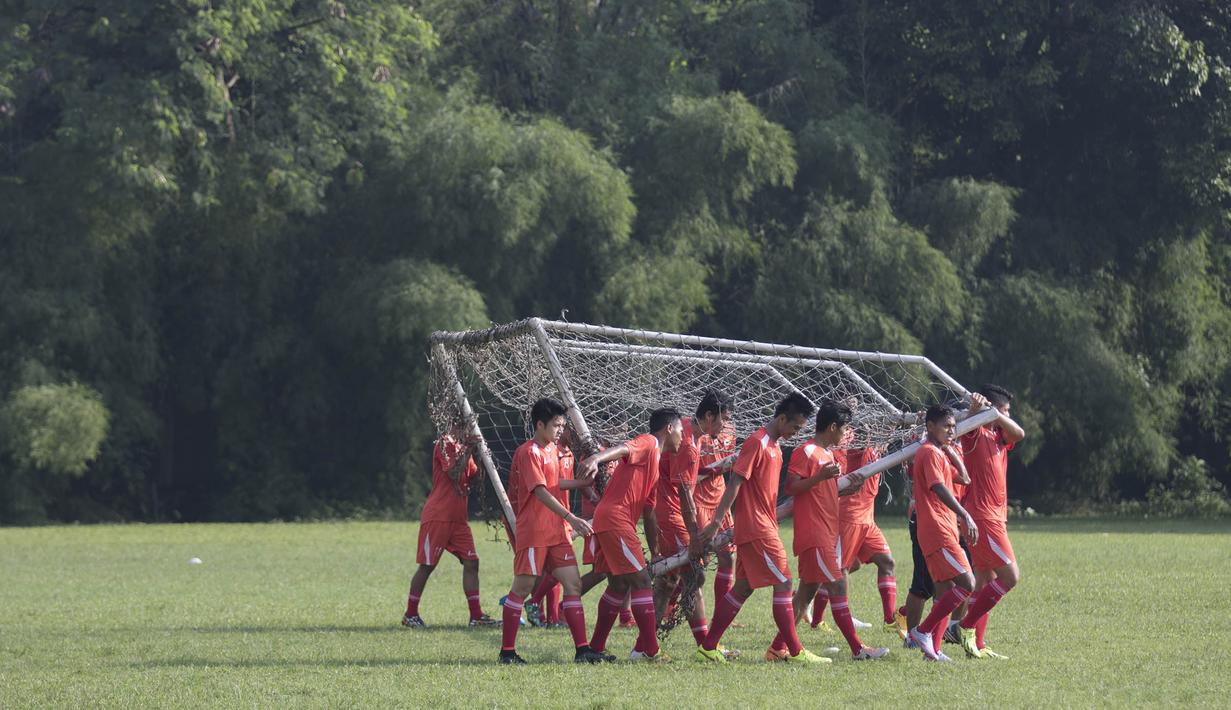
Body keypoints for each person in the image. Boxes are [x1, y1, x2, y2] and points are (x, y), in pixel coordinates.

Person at [694, 393, 829, 664]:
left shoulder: (776, 446)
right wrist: (718, 521)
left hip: (761, 525)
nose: (796, 432)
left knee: (743, 588)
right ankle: (793, 650)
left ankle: (708, 647)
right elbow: (735, 484)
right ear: (781, 418)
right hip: (756, 528)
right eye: (795, 427)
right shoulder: (757, 442)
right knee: (785, 582)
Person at [777, 400, 889, 662]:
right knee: (837, 584)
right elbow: (791, 487)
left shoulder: (826, 454)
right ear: (832, 427)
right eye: (843, 429)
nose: (845, 435)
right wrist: (820, 479)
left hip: (825, 532)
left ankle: (778, 647)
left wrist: (840, 488)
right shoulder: (807, 452)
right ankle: (858, 649)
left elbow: (819, 490)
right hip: (814, 533)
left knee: (806, 593)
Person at [498, 398, 607, 664]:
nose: (560, 430)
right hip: (535, 531)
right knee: (522, 587)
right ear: (539, 425)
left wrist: (584, 482)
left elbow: (555, 483)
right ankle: (507, 652)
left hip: (557, 531)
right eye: (556, 425)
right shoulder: (529, 452)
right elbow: (540, 491)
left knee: (573, 584)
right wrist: (573, 517)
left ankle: (582, 650)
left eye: (562, 425)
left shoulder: (552, 450)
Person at [580, 408, 685, 662]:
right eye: (681, 431)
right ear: (669, 429)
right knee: (641, 582)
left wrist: (656, 551)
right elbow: (626, 448)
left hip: (611, 518)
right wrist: (596, 458)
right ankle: (649, 650)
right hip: (615, 519)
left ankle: (594, 648)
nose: (682, 437)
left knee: (618, 584)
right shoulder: (649, 442)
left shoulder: (656, 465)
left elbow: (649, 513)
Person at [652, 391, 733, 649]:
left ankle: (645, 645)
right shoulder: (687, 442)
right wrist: (695, 533)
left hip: (670, 510)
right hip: (669, 513)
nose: (725, 426)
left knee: (672, 579)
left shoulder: (690, 430)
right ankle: (707, 646)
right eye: (724, 419)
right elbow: (684, 490)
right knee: (691, 575)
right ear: (709, 416)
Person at [952, 386, 1025, 660]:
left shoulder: (999, 435)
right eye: (1005, 411)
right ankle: (966, 626)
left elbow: (1019, 433)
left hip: (993, 515)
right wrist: (978, 411)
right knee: (1010, 577)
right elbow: (964, 427)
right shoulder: (976, 431)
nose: (1007, 417)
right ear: (992, 409)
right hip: (983, 517)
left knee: (985, 580)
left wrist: (996, 415)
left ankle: (978, 645)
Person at [402, 425, 499, 628]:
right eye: (469, 424)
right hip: (438, 516)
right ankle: (410, 615)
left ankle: (476, 616)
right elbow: (454, 472)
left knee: (472, 562)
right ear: (458, 423)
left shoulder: (464, 447)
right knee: (428, 566)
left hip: (458, 519)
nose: (472, 429)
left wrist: (484, 459)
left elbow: (472, 477)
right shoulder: (445, 443)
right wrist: (470, 449)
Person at [906, 405, 978, 662]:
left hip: (940, 529)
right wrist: (964, 513)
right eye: (946, 426)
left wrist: (949, 448)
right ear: (930, 427)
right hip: (938, 530)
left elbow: (966, 478)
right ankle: (922, 631)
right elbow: (938, 487)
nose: (951, 430)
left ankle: (932, 651)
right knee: (967, 584)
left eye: (953, 426)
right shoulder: (928, 453)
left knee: (945, 590)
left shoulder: (939, 453)